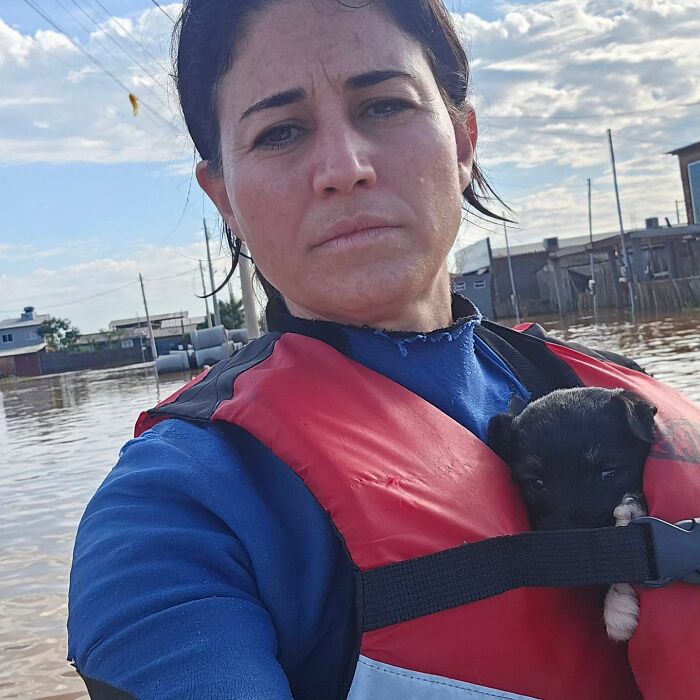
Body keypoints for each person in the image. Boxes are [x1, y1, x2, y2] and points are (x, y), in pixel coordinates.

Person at [67, 1, 700, 699]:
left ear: (464, 143)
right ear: (223, 196)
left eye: (385, 107)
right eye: (280, 131)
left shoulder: (620, 397)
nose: (343, 167)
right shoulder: (171, 513)